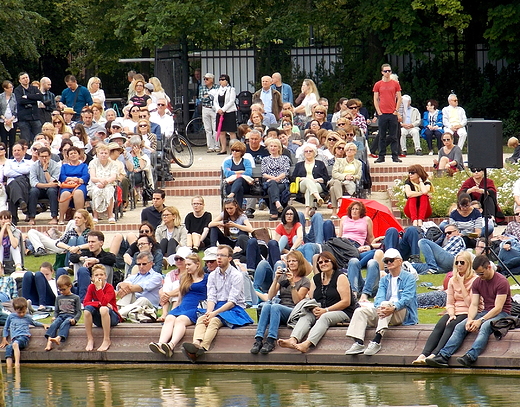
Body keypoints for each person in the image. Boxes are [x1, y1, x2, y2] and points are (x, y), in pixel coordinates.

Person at [426, 255, 511, 368]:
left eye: (481, 273)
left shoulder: (501, 281)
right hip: (485, 312)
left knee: (485, 326)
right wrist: (470, 319)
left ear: (489, 267)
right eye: (478, 274)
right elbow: (474, 305)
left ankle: (471, 356)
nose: (480, 276)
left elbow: (498, 308)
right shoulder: (478, 282)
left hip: (502, 314)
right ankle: (443, 356)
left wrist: (480, 320)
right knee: (460, 326)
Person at [181, 245, 253, 362]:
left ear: (229, 258)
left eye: (222, 255)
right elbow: (211, 297)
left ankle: (202, 347)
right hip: (216, 306)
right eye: (217, 255)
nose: (218, 258)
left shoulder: (237, 275)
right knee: (202, 318)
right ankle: (195, 344)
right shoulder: (213, 275)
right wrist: (209, 312)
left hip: (234, 309)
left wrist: (214, 314)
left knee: (214, 321)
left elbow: (232, 302)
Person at [278, 251, 358, 353]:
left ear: (332, 262)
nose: (323, 264)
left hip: (344, 311)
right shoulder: (316, 279)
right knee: (306, 315)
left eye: (326, 261)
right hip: (321, 310)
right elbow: (312, 299)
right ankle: (293, 339)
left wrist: (326, 310)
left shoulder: (341, 277)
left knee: (325, 317)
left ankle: (307, 344)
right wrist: (313, 308)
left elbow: (346, 302)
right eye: (320, 262)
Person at [345, 248, 418, 356]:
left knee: (386, 304)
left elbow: (407, 299)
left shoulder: (409, 278)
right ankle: (358, 342)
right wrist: (379, 307)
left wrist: (393, 307)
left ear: (400, 261)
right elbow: (379, 296)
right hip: (385, 312)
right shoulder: (384, 279)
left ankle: (377, 340)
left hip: (402, 313)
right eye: (386, 261)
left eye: (391, 260)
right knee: (360, 311)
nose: (388, 263)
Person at [412, 252, 480, 364]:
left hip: (469, 311)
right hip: (455, 310)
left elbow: (471, 303)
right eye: (457, 263)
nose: (459, 265)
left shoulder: (475, 280)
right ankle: (423, 354)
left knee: (451, 325)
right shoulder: (452, 280)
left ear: (468, 264)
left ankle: (435, 354)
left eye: (462, 262)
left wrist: (462, 284)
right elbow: (449, 302)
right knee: (440, 325)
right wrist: (451, 314)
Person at [251, 251, 311, 354]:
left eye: (294, 261)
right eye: (289, 261)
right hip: (279, 309)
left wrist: (292, 283)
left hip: (294, 311)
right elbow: (270, 296)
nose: (291, 263)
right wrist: (275, 279)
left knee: (275, 307)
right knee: (267, 305)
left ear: (299, 262)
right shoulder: (284, 277)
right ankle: (258, 339)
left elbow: (297, 301)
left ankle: (270, 340)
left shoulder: (304, 281)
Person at [149, 254, 208, 357]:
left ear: (197, 264)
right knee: (170, 318)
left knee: (180, 320)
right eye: (186, 265)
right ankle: (160, 343)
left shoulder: (206, 278)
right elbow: (180, 296)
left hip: (196, 307)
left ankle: (171, 345)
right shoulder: (184, 278)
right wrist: (175, 308)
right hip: (183, 306)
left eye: (189, 264)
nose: (187, 267)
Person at [57, 231, 116, 301]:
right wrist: (82, 259)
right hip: (79, 287)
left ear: (101, 243)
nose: (90, 244)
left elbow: (112, 259)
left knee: (83, 270)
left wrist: (96, 261)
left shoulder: (107, 256)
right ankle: (61, 299)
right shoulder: (85, 254)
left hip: (96, 290)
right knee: (60, 271)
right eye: (89, 242)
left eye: (93, 242)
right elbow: (72, 257)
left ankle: (82, 301)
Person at [1, 297, 49, 369]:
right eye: (19, 312)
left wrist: (43, 324)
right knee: (9, 348)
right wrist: (4, 339)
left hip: (24, 338)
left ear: (26, 309)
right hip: (15, 339)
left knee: (15, 344)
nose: (21, 314)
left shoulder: (27, 317)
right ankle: (9, 368)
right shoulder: (11, 317)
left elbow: (34, 323)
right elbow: (6, 327)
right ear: (15, 310)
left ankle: (17, 364)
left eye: (23, 312)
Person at [83, 264, 122, 352]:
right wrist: (98, 303)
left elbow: (104, 303)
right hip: (99, 318)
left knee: (103, 309)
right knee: (87, 311)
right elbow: (85, 303)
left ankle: (106, 339)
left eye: (101, 275)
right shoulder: (91, 287)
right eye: (96, 275)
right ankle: (90, 339)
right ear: (92, 278)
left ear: (105, 276)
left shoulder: (109, 287)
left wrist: (99, 288)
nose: (99, 277)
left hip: (112, 317)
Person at [291, 143, 329, 220]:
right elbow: (293, 177)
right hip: (303, 184)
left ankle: (306, 212)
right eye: (306, 151)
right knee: (307, 181)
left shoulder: (320, 163)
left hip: (317, 184)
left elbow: (326, 177)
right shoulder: (299, 165)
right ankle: (318, 198)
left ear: (314, 152)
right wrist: (301, 178)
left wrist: (319, 180)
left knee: (309, 189)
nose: (308, 153)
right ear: (303, 153)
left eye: (310, 151)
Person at [43, 274, 82, 351]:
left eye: (64, 289)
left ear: (70, 286)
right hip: (61, 316)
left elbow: (79, 312)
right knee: (54, 324)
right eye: (59, 290)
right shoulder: (58, 298)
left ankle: (59, 337)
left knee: (65, 323)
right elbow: (56, 310)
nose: (61, 292)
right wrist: (55, 316)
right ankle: (49, 342)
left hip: (70, 316)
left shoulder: (76, 298)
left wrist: (75, 319)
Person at [373, 64, 402, 163]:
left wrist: (396, 110)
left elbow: (399, 98)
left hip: (392, 113)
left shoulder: (395, 84)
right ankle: (381, 156)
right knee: (382, 136)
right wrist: (379, 111)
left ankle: (395, 156)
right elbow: (375, 99)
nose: (387, 73)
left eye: (389, 71)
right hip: (383, 114)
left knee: (394, 136)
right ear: (382, 72)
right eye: (385, 71)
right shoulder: (378, 84)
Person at [329, 142, 362, 218]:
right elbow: (334, 173)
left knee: (332, 189)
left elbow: (359, 175)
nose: (349, 151)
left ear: (355, 152)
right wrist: (345, 176)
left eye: (351, 150)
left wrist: (352, 177)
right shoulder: (339, 161)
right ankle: (341, 202)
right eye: (347, 150)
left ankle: (334, 212)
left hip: (349, 183)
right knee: (336, 182)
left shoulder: (358, 163)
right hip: (337, 180)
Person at [28, 146, 60, 225]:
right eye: (42, 156)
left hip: (51, 189)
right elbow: (33, 183)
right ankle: (31, 217)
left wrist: (45, 170)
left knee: (52, 191)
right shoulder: (34, 166)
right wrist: (48, 185)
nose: (44, 158)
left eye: (46, 156)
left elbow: (54, 182)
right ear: (38, 157)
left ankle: (54, 217)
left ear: (50, 156)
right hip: (39, 188)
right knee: (33, 191)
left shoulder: (55, 165)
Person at [58, 146, 90, 224]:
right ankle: (61, 217)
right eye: (71, 153)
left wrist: (78, 180)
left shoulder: (84, 166)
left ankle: (80, 217)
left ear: (79, 155)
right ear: (68, 156)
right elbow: (62, 176)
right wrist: (70, 179)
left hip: (79, 185)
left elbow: (86, 176)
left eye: (75, 153)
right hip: (67, 185)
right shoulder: (64, 166)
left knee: (78, 193)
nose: (73, 155)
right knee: (65, 194)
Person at [87, 144, 118, 224]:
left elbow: (113, 176)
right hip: (95, 183)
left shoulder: (113, 163)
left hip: (108, 183)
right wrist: (100, 181)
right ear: (97, 154)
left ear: (108, 154)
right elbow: (93, 177)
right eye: (101, 153)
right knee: (96, 191)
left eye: (105, 153)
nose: (103, 155)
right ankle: (95, 216)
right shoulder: (93, 163)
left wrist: (105, 182)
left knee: (109, 191)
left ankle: (110, 216)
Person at [158, 246, 190, 319]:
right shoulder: (171, 273)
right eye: (176, 259)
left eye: (181, 259)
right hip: (170, 296)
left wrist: (167, 295)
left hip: (184, 297)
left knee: (176, 285)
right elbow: (164, 288)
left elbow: (184, 288)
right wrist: (165, 294)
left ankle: (172, 312)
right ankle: (165, 313)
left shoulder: (191, 273)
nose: (178, 261)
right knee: (166, 287)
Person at [262, 138, 291, 220]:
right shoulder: (265, 159)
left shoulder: (285, 158)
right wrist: (274, 178)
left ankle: (274, 213)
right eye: (271, 146)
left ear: (279, 148)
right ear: (268, 148)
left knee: (271, 188)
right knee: (272, 184)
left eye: (275, 146)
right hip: (270, 182)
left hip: (282, 182)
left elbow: (286, 172)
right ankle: (277, 204)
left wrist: (277, 178)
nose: (273, 148)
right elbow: (264, 173)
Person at [4, 142, 31, 225]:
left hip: (24, 185)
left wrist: (14, 170)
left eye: (18, 150)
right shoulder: (9, 162)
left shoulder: (29, 162)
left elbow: (28, 170)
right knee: (14, 183)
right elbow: (7, 172)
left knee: (14, 189)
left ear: (23, 152)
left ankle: (14, 220)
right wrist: (21, 173)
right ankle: (21, 201)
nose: (16, 152)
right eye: (14, 150)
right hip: (10, 186)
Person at [222, 141, 253, 207]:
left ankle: (232, 194)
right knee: (239, 188)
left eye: (237, 150)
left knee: (240, 179)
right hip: (230, 185)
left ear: (241, 152)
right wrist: (240, 172)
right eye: (233, 150)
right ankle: (238, 210)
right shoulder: (227, 162)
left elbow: (248, 173)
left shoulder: (246, 161)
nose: (234, 152)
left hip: (245, 186)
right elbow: (227, 173)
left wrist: (234, 173)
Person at [14, 72, 43, 142]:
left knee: (38, 138)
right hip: (24, 119)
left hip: (35, 117)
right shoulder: (17, 90)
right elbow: (20, 101)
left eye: (26, 77)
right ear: (19, 80)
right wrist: (34, 100)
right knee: (25, 140)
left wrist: (27, 97)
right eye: (23, 78)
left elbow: (40, 97)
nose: (25, 79)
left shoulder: (34, 88)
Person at [214, 74, 238, 155]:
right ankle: (223, 149)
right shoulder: (218, 90)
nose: (221, 81)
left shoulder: (231, 89)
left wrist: (224, 109)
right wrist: (218, 109)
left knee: (231, 131)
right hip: (219, 112)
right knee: (221, 131)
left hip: (229, 112)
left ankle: (233, 149)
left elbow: (231, 101)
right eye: (220, 79)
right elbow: (215, 101)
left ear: (227, 81)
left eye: (223, 79)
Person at [199, 73, 219, 152]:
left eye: (207, 79)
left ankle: (217, 145)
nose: (205, 80)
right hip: (205, 108)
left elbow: (216, 98)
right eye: (204, 79)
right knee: (208, 129)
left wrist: (208, 96)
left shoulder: (217, 87)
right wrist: (211, 97)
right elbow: (202, 98)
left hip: (214, 108)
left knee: (215, 128)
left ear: (212, 80)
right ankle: (210, 146)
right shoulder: (202, 88)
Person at [0, 80, 17, 154]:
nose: (11, 89)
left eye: (12, 87)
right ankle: (4, 155)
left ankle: (12, 155)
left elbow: (17, 109)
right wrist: (4, 119)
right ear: (5, 88)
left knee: (12, 140)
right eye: (10, 87)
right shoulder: (0, 97)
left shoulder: (14, 96)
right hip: (3, 120)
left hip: (13, 120)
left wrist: (11, 119)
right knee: (3, 139)